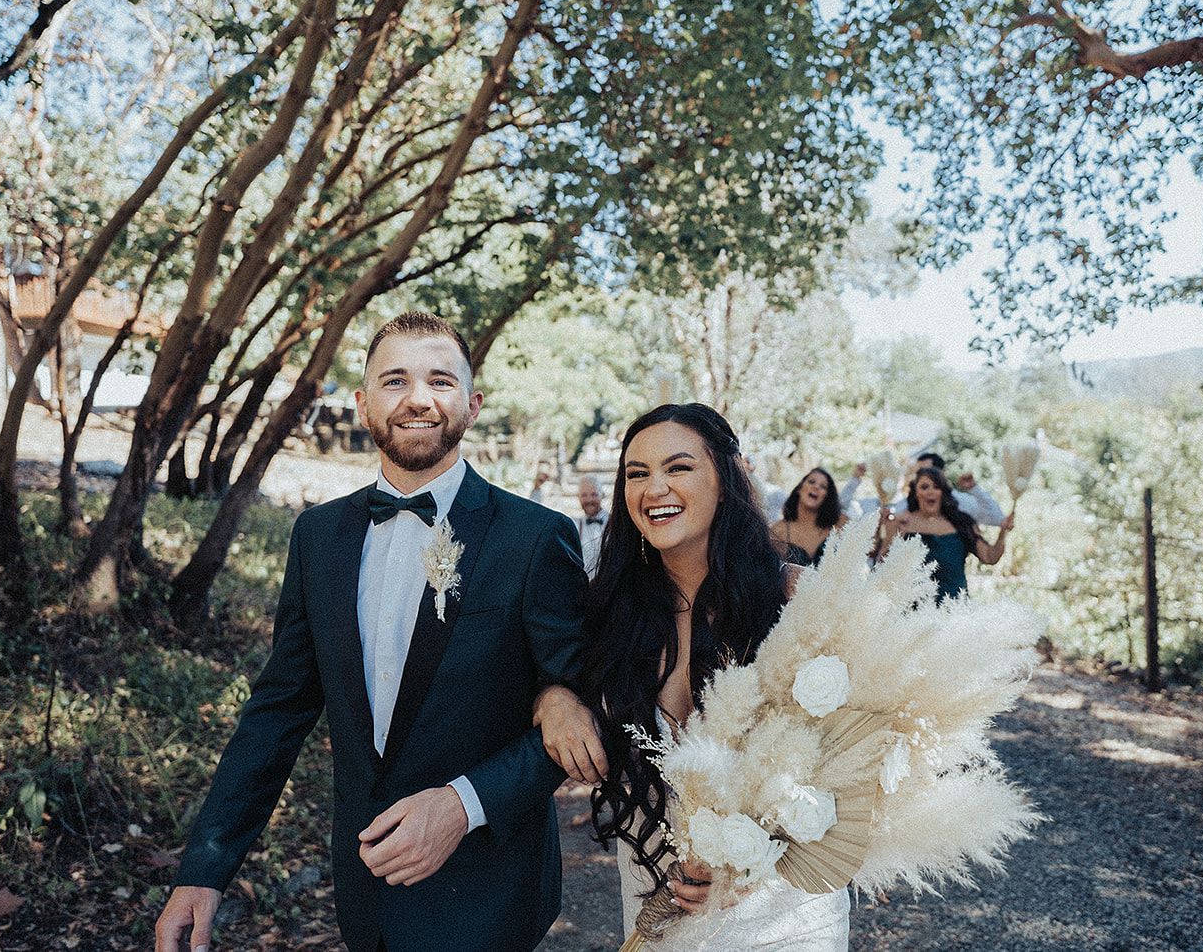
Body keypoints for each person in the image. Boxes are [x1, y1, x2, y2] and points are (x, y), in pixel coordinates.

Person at [154, 312, 587, 952]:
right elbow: (279, 709)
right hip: (364, 889)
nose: (418, 399)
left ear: (472, 402)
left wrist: (462, 805)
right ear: (362, 404)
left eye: (440, 381)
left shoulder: (535, 538)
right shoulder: (317, 537)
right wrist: (206, 869)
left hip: (488, 891)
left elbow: (583, 710)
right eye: (395, 381)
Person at [539, 403, 848, 949]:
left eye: (678, 468)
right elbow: (538, 671)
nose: (654, 487)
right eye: (637, 474)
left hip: (780, 913)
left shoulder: (798, 600)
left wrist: (750, 854)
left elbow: (858, 766)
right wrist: (555, 698)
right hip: (653, 901)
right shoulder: (610, 609)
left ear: (725, 481)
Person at [878, 464, 1015, 605]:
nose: (931, 491)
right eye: (924, 487)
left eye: (936, 487)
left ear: (943, 492)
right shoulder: (902, 523)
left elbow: (990, 557)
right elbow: (883, 566)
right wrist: (888, 534)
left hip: (954, 611)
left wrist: (1003, 532)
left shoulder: (962, 523)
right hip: (913, 614)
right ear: (916, 492)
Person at [841, 451, 1006, 525]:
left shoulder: (963, 502)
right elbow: (843, 510)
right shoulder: (906, 507)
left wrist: (975, 489)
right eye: (918, 475)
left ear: (941, 474)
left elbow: (997, 518)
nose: (921, 479)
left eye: (927, 473)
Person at [770, 467, 846, 567]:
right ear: (799, 488)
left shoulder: (839, 524)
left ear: (826, 496)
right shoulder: (778, 530)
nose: (816, 487)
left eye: (823, 486)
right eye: (811, 482)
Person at [573, 474, 609, 578]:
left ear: (602, 495)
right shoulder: (575, 525)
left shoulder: (615, 524)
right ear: (578, 497)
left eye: (594, 494)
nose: (589, 500)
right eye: (584, 495)